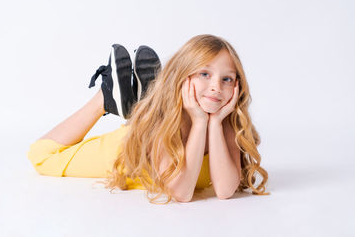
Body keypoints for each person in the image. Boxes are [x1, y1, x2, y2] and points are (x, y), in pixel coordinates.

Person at [27, 34, 270, 204]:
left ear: (237, 85)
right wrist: (198, 121)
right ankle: (106, 98)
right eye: (204, 74)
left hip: (158, 124)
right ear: (182, 77)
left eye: (227, 79)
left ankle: (144, 98)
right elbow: (182, 194)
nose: (216, 87)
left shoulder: (226, 123)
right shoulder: (165, 124)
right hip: (125, 152)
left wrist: (214, 123)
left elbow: (225, 190)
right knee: (41, 157)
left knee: (154, 114)